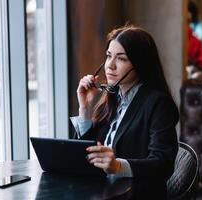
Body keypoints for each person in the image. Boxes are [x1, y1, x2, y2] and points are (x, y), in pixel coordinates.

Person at [71, 25, 179, 198]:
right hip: (103, 191)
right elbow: (88, 154)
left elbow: (163, 164)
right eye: (108, 56)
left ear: (140, 63)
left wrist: (118, 166)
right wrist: (85, 108)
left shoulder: (158, 103)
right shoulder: (113, 96)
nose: (110, 66)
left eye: (121, 59)